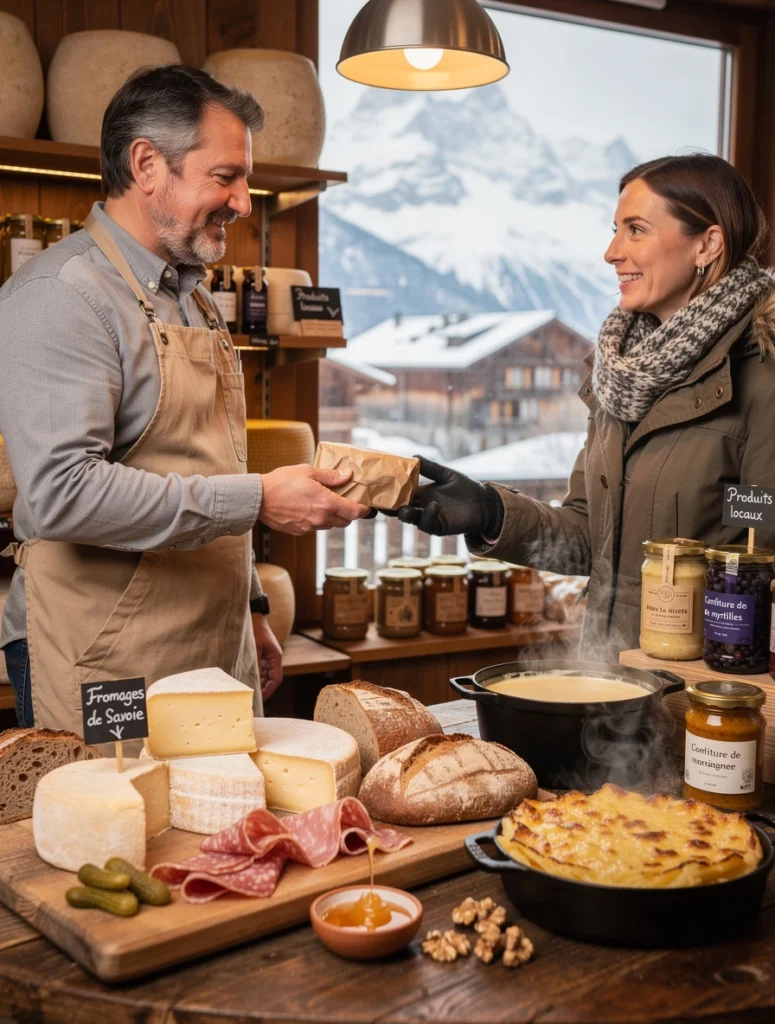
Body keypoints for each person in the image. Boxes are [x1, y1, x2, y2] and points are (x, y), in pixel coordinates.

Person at [0, 65, 370, 731]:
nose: (243, 202)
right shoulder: (61, 294)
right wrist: (260, 499)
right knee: (115, 803)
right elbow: (62, 493)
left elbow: (213, 462)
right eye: (226, 176)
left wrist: (251, 608)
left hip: (213, 641)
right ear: (147, 165)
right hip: (105, 654)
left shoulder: (192, 296)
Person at [395, 154, 775, 658]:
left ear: (707, 244)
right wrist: (489, 511)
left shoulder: (762, 379)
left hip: (705, 687)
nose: (612, 253)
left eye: (636, 230)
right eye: (616, 231)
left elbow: (760, 561)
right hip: (609, 676)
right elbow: (589, 536)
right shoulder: (622, 375)